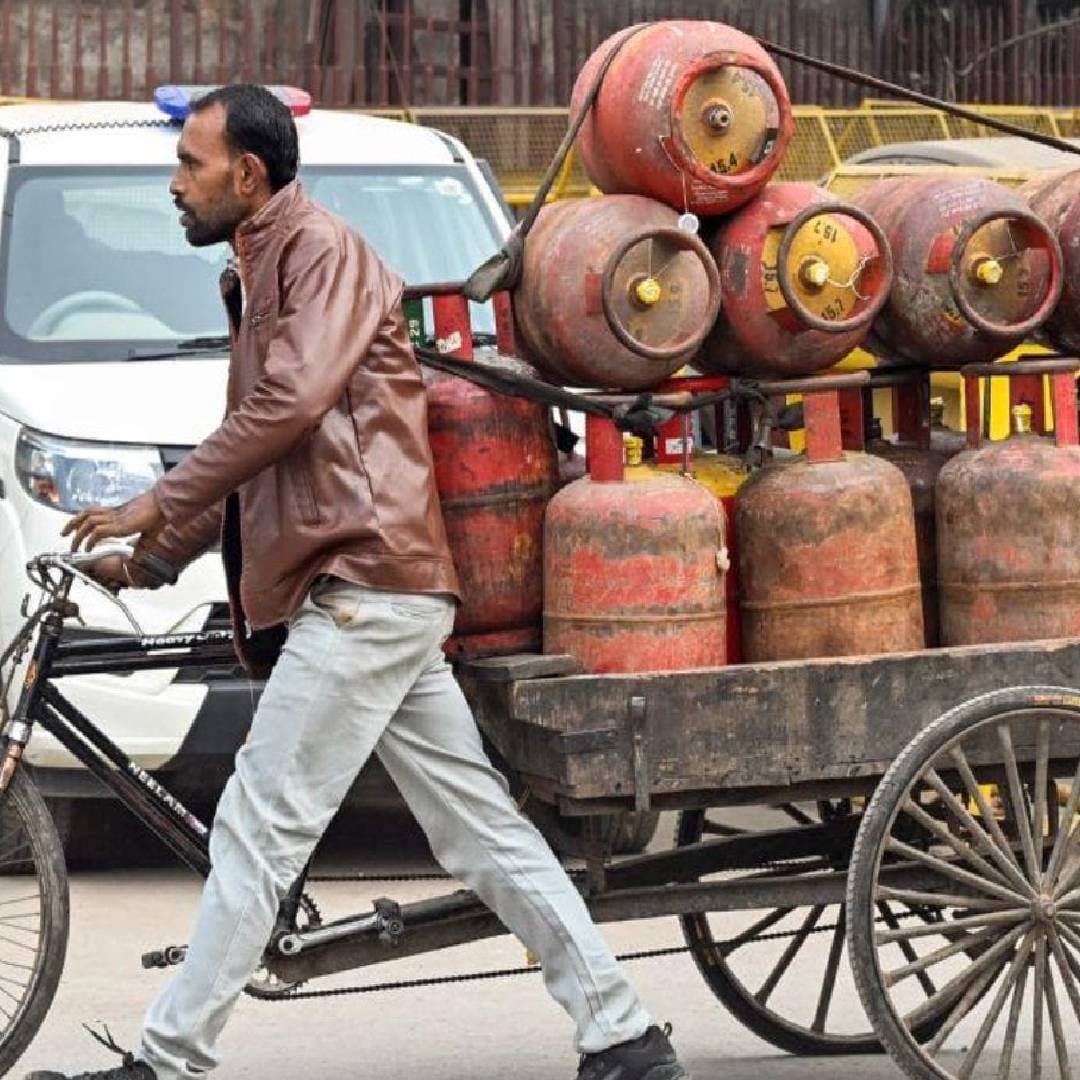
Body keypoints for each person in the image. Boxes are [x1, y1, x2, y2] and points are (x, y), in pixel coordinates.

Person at [33, 85, 689, 1080]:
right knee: (478, 831)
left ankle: (165, 1063)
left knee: (259, 822)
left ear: (246, 175)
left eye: (190, 166)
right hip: (365, 585)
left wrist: (158, 500)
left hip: (363, 579)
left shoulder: (321, 256)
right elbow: (263, 448)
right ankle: (623, 1034)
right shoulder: (256, 272)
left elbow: (291, 407)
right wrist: (157, 556)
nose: (175, 186)